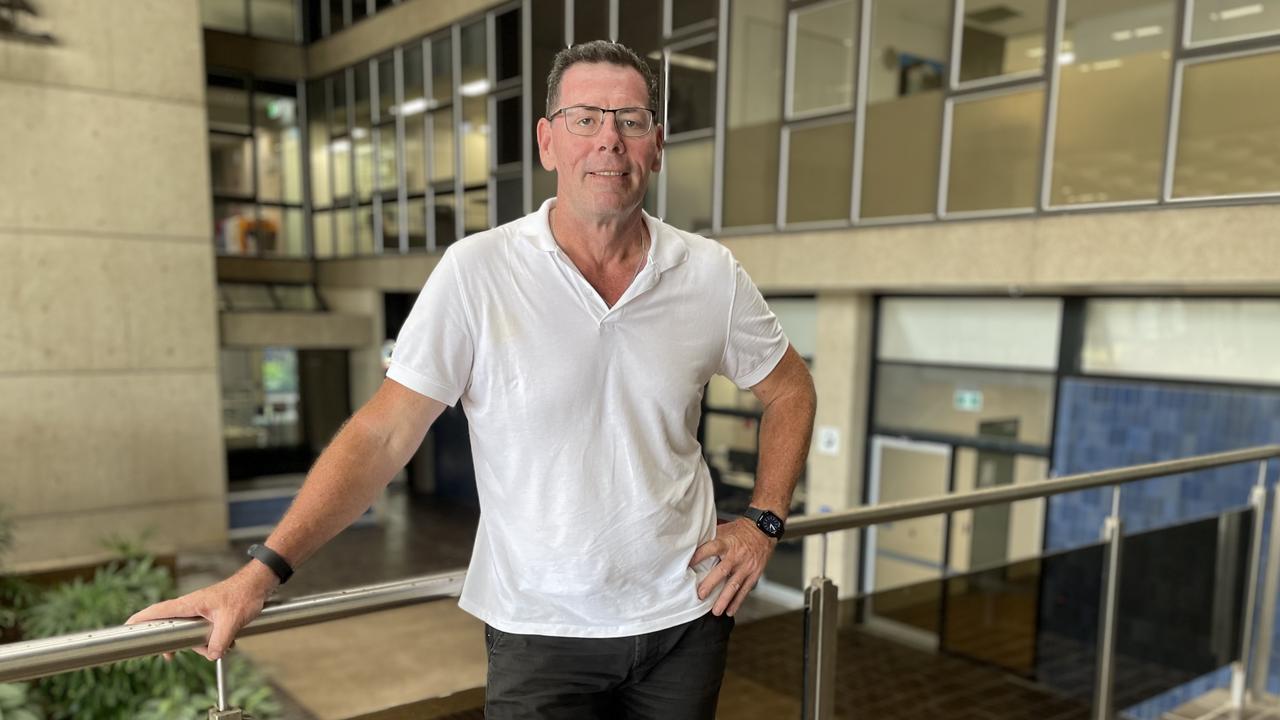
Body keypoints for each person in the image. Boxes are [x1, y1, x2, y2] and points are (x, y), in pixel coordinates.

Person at [129, 40, 816, 719]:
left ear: (656, 145)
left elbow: (790, 389)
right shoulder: (477, 272)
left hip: (685, 620)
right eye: (585, 118)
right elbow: (383, 434)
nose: (609, 139)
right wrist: (261, 572)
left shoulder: (709, 274)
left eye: (630, 121)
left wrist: (762, 520)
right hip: (538, 635)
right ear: (548, 142)